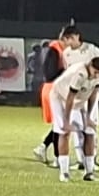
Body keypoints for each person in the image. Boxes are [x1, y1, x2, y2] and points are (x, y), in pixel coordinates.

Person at [50, 52, 99, 182]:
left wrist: (88, 117)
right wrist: (66, 121)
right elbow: (70, 98)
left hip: (80, 98)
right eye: (95, 72)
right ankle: (64, 172)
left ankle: (89, 172)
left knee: (90, 131)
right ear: (90, 66)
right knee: (64, 132)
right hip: (60, 96)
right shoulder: (80, 74)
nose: (97, 75)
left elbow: (93, 94)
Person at [37, 24, 81, 162]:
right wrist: (67, 73)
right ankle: (57, 157)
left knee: (60, 123)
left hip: (53, 88)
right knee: (60, 124)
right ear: (65, 39)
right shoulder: (54, 50)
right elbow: (50, 74)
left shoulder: (55, 49)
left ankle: (43, 147)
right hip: (53, 89)